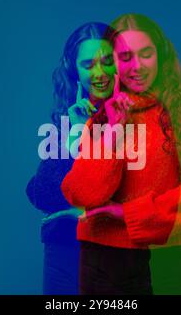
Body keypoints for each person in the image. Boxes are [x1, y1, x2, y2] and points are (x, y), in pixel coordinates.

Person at [61, 13, 181, 295]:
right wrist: (112, 131)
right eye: (124, 57)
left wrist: (127, 213)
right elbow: (82, 194)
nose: (136, 66)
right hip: (99, 258)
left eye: (145, 53)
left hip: (162, 256)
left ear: (160, 53)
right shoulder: (103, 111)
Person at [26, 22, 117, 294]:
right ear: (74, 72)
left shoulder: (139, 119)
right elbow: (41, 192)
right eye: (88, 64)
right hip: (65, 253)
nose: (99, 73)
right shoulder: (68, 120)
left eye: (107, 61)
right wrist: (76, 133)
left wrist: (86, 212)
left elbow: (143, 195)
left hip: (116, 256)